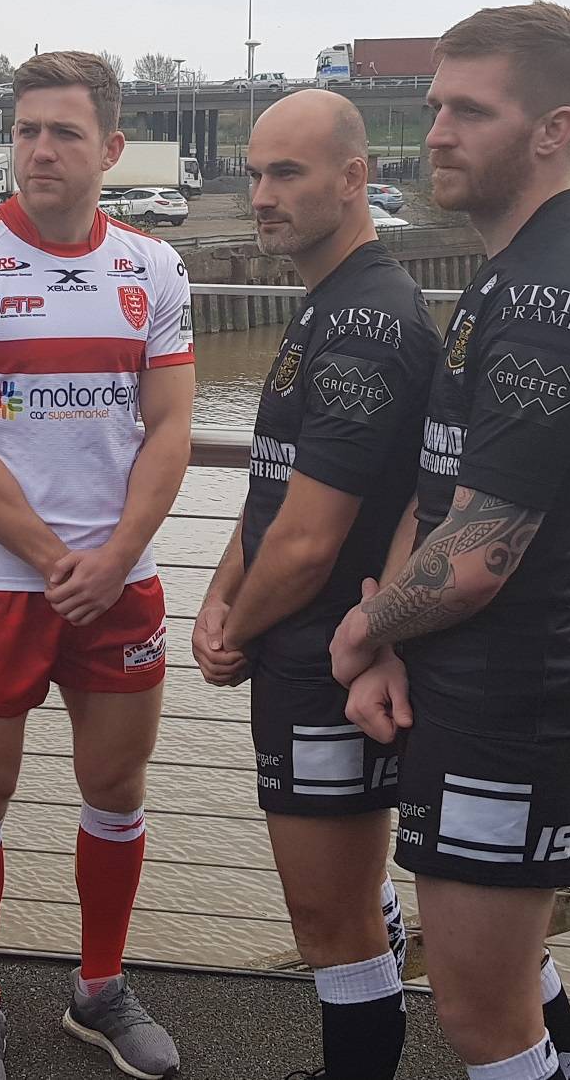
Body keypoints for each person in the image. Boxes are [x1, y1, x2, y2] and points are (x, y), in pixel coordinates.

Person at [334, 3, 570, 1080]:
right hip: (465, 676)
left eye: (470, 110)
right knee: (495, 992)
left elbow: (481, 547)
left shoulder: (556, 291)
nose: (435, 133)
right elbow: (444, 486)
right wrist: (390, 637)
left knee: (482, 1011)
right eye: (434, 106)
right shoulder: (511, 270)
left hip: (511, 689)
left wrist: (358, 629)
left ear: (555, 128)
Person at [0, 50, 195, 1080]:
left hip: (123, 581)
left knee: (115, 785)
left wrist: (114, 556)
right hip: (0, 579)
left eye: (64, 132)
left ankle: (99, 987)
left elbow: (170, 427)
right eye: (26, 129)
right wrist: (50, 554)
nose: (39, 148)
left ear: (110, 149)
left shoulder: (154, 268)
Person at [191, 90, 436, 1080]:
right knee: (348, 902)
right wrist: (218, 596)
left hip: (330, 649)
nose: (261, 195)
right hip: (305, 642)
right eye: (253, 173)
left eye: (286, 173)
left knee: (329, 916)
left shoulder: (368, 321)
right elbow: (276, 486)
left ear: (352, 177)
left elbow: (309, 537)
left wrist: (235, 629)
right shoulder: (330, 303)